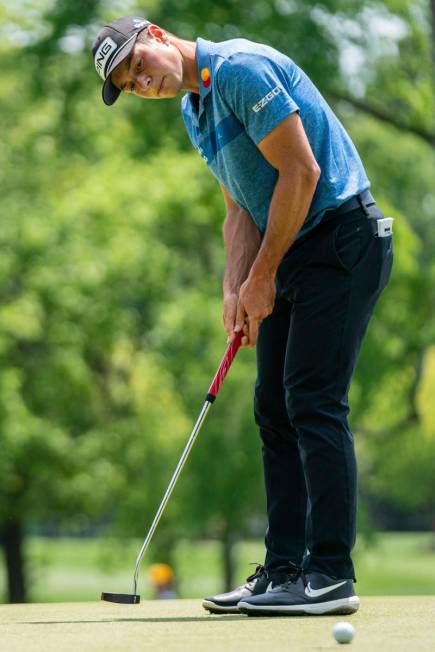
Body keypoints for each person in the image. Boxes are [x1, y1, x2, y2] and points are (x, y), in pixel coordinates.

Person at [91, 16, 393, 617]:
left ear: (155, 35)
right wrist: (236, 286)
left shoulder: (239, 70)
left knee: (312, 400)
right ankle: (282, 571)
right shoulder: (193, 111)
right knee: (273, 410)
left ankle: (330, 573)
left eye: (136, 63)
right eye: (127, 81)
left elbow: (301, 173)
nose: (140, 81)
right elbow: (240, 207)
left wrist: (263, 276)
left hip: (341, 239)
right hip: (296, 249)